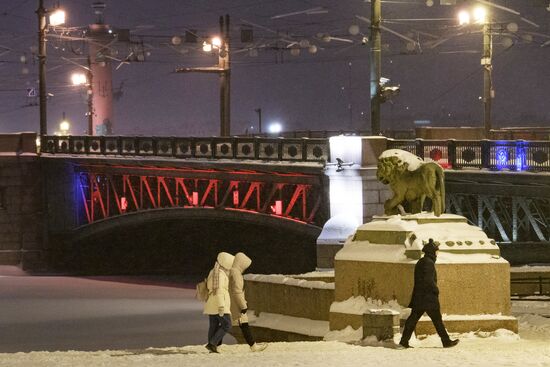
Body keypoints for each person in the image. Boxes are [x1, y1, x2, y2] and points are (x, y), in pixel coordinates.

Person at [399, 239, 459, 349]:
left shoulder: (423, 261)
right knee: (436, 320)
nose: (437, 253)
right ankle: (446, 341)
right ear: (432, 251)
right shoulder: (428, 262)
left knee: (414, 319)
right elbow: (428, 280)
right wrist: (435, 290)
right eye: (436, 251)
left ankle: (404, 341)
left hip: (421, 297)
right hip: (427, 297)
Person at [229, 252, 268, 352]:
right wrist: (243, 306)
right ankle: (253, 346)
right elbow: (237, 292)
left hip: (232, 304)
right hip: (237, 305)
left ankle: (215, 344)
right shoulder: (236, 274)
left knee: (237, 325)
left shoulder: (232, 272)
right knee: (240, 325)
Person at [204, 251, 235, 353]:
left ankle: (212, 346)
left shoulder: (213, 271)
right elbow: (219, 291)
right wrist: (221, 306)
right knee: (227, 325)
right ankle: (212, 343)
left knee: (214, 325)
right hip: (219, 304)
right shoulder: (220, 274)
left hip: (212, 303)